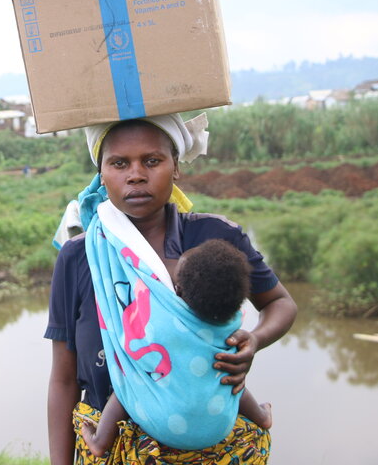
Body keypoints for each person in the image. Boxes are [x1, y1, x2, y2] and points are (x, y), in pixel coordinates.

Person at [46, 114, 298, 465]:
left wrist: (255, 340)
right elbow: (63, 379)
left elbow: (280, 303)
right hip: (112, 449)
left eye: (152, 161)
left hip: (214, 446)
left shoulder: (216, 237)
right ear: (101, 173)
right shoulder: (80, 256)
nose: (136, 174)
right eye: (119, 163)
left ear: (175, 167)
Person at [79, 237, 273, 458]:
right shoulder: (233, 324)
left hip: (165, 429)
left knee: (130, 379)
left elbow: (137, 335)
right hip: (218, 427)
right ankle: (261, 416)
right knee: (230, 379)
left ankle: (99, 441)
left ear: (178, 292)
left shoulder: (169, 323)